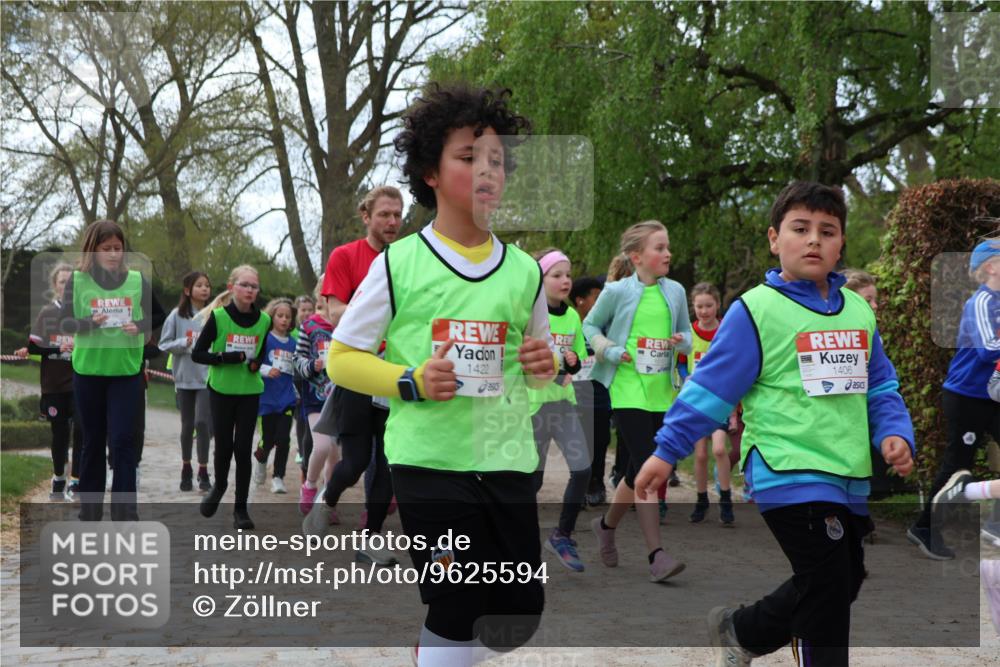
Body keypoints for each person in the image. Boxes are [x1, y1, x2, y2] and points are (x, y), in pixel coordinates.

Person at [634, 181, 915, 666]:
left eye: (827, 231)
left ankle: (741, 631)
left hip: (847, 473)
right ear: (773, 238)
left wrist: (894, 433)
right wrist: (666, 449)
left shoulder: (858, 312)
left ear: (841, 244)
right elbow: (711, 389)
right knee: (828, 589)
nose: (813, 241)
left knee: (842, 578)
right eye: (800, 229)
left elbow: (880, 386)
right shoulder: (756, 310)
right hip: (788, 470)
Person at [327, 82, 554, 665]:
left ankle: (435, 652)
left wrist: (541, 368)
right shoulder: (398, 264)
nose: (488, 171)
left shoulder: (524, 271)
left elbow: (536, 371)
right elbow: (342, 358)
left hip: (505, 457)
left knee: (516, 614)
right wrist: (411, 381)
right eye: (469, 157)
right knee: (456, 604)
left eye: (497, 161)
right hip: (428, 459)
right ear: (430, 171)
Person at [583, 220, 691, 582]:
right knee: (648, 468)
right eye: (659, 248)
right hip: (627, 388)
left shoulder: (674, 291)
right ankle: (656, 555)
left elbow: (688, 335)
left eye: (667, 247)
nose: (667, 254)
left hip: (662, 391)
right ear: (636, 256)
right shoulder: (616, 291)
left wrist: (681, 342)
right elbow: (589, 328)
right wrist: (609, 350)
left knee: (634, 470)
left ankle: (605, 526)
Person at [57, 219, 166, 521]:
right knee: (92, 438)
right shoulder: (78, 282)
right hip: (89, 372)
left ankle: (124, 510)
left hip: (126, 373)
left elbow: (159, 315)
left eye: (118, 248)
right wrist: (90, 322)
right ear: (93, 250)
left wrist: (140, 325)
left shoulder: (136, 281)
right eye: (107, 249)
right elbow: (64, 322)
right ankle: (89, 509)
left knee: (122, 440)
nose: (114, 254)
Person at [315, 186, 403, 541]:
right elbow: (335, 312)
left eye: (397, 214)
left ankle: (372, 536)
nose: (392, 221)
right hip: (357, 365)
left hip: (395, 370)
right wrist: (379, 320)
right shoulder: (345, 256)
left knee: (388, 460)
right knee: (354, 463)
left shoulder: (409, 259)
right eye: (384, 214)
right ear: (366, 217)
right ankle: (327, 498)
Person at [908, 239, 1000, 559]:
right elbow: (989, 349)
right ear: (991, 266)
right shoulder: (980, 302)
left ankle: (995, 524)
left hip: (992, 398)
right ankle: (924, 527)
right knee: (956, 467)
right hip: (967, 397)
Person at [526, 248, 591, 572]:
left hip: (564, 404)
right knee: (532, 481)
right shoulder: (530, 315)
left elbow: (578, 360)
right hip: (534, 407)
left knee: (582, 470)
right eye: (557, 275)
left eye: (567, 274)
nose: (565, 281)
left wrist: (572, 363)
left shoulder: (572, 317)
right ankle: (518, 541)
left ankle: (562, 535)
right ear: (541, 279)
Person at [193, 265, 270, 530]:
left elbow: (262, 353)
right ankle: (219, 486)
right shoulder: (218, 317)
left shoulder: (265, 321)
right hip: (222, 390)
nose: (249, 290)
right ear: (231, 287)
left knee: (243, 449)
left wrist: (256, 363)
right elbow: (198, 354)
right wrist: (222, 358)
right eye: (244, 285)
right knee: (224, 446)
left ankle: (241, 509)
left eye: (254, 286)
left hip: (249, 391)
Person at [676, 282, 735, 525]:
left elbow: (735, 361)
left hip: (720, 399)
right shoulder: (689, 334)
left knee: (720, 449)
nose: (704, 311)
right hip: (696, 400)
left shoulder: (726, 330)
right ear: (693, 307)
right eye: (699, 306)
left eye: (708, 305)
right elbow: (680, 361)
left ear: (717, 305)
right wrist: (685, 376)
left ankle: (725, 498)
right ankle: (701, 500)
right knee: (700, 454)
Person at [25, 263, 82, 501]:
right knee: (60, 434)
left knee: (82, 432)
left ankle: (76, 482)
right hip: (54, 384)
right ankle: (59, 477)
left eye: (71, 283)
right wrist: (58, 347)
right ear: (55, 286)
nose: (67, 286)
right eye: (62, 282)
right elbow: (33, 346)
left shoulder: (84, 314)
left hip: (82, 383)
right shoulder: (47, 313)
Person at [159, 271, 214, 492]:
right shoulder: (176, 315)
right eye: (199, 285)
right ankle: (186, 468)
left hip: (207, 377)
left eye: (207, 285)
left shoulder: (215, 315)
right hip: (183, 378)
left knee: (203, 423)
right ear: (187, 290)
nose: (204, 289)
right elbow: (164, 344)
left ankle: (203, 470)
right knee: (187, 425)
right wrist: (186, 342)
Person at [294, 289, 338, 517]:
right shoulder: (310, 326)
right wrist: (311, 366)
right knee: (322, 446)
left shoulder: (350, 323)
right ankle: (309, 485)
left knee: (335, 458)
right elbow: (297, 360)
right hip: (315, 397)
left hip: (342, 397)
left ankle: (327, 503)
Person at [570, 276, 611, 507]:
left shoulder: (605, 328)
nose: (600, 301)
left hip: (601, 393)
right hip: (576, 393)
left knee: (601, 440)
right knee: (580, 441)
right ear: (580, 301)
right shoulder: (570, 325)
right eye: (596, 296)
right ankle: (579, 485)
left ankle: (597, 483)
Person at [254, 298, 297, 495]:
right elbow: (253, 364)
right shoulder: (265, 339)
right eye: (280, 315)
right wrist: (266, 370)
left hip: (286, 399)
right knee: (267, 440)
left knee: (284, 439)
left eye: (288, 316)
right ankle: (261, 460)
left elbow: (297, 369)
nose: (284, 320)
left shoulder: (294, 344)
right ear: (272, 316)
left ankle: (278, 477)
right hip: (266, 399)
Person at [291, 295, 316, 477]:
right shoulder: (291, 332)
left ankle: (308, 450)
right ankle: (301, 450)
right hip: (295, 379)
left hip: (312, 378)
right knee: (300, 416)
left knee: (308, 418)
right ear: (297, 312)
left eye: (310, 309)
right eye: (303, 310)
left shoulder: (317, 330)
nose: (306, 313)